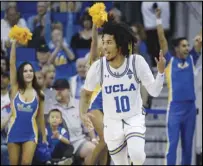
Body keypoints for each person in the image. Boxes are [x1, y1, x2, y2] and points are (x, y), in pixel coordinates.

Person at [80, 21, 166, 165]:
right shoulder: (98, 66)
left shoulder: (136, 62)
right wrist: (82, 113)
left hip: (133, 118)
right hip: (108, 117)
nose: (104, 46)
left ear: (120, 45)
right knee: (116, 157)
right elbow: (86, 93)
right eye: (103, 42)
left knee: (137, 155)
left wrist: (161, 73)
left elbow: (154, 91)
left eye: (108, 42)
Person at [155, 8, 202, 165]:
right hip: (175, 109)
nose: (187, 48)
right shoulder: (170, 62)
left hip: (190, 109)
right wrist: (159, 20)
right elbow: (162, 40)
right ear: (176, 48)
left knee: (188, 147)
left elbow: (200, 39)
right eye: (184, 46)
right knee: (173, 145)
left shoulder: (192, 60)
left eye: (188, 45)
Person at [7, 40, 47, 165]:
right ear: (21, 74)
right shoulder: (15, 89)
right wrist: (14, 43)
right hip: (14, 132)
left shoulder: (39, 94)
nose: (29, 73)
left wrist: (44, 137)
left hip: (31, 134)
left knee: (26, 163)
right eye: (25, 71)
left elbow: (40, 117)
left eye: (30, 70)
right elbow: (12, 63)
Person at [47, 79, 96, 165]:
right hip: (60, 143)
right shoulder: (50, 107)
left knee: (92, 148)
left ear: (69, 90)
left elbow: (88, 125)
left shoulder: (78, 104)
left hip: (78, 141)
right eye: (56, 89)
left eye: (61, 89)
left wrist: (93, 138)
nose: (58, 92)